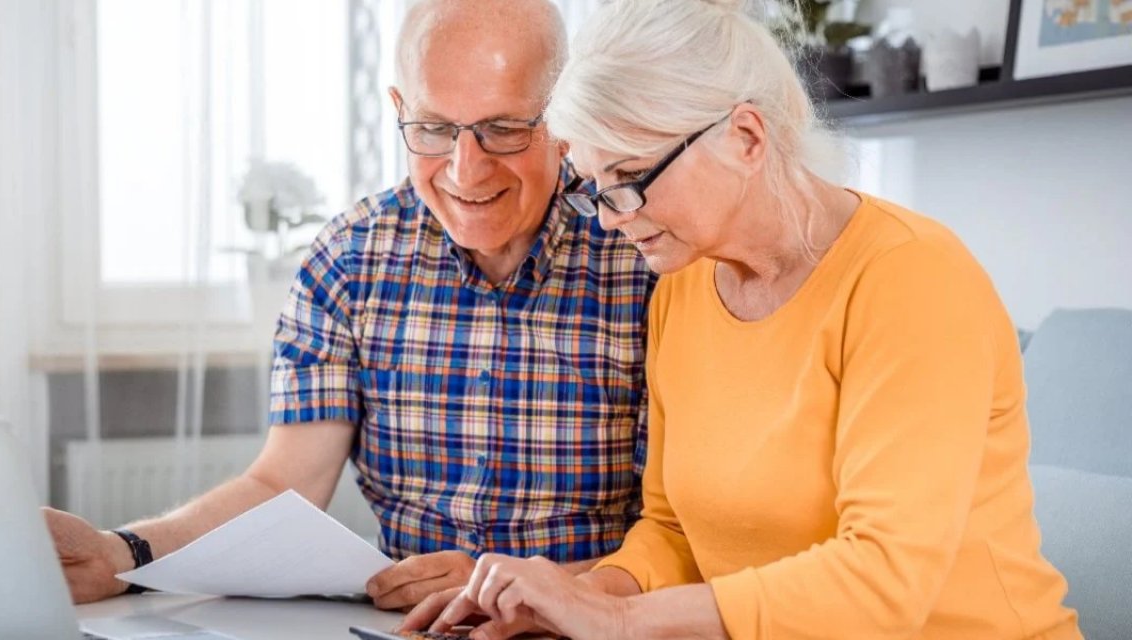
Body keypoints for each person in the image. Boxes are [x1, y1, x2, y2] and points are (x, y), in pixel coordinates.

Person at [402, 0, 1083, 638]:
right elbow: (671, 531)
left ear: (746, 136)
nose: (611, 219)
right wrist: (575, 599)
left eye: (631, 179)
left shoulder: (912, 278)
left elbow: (885, 579)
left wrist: (621, 623)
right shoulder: (685, 285)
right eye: (598, 190)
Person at [43, 0, 655, 613]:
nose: (466, 171)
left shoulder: (643, 255)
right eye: (435, 130)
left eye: (503, 129)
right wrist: (121, 555)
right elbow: (284, 483)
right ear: (399, 111)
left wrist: (517, 589)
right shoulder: (350, 257)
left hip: (589, 622)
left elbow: (683, 537)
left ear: (566, 118)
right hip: (405, 626)